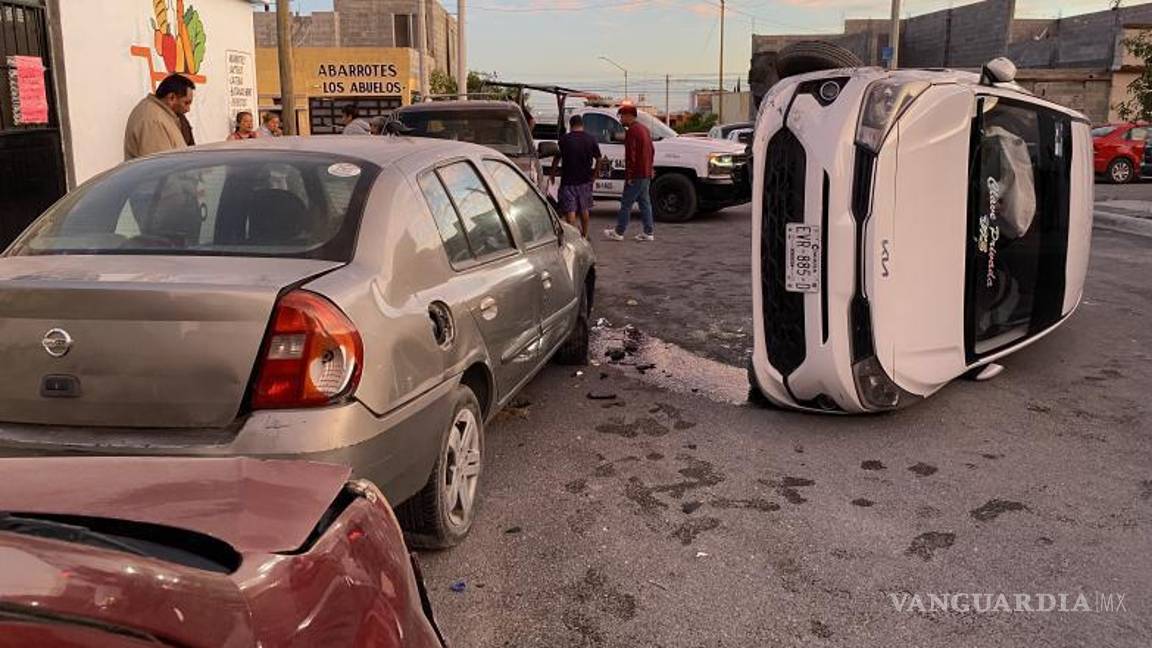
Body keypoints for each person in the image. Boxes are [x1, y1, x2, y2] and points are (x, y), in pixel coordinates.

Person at [604, 104, 655, 242]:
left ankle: (619, 232)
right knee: (645, 203)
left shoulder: (632, 131)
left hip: (636, 174)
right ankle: (648, 232)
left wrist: (630, 176)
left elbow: (630, 156)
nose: (621, 119)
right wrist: (650, 168)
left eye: (622, 116)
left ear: (629, 116)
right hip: (645, 172)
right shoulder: (644, 129)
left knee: (626, 203)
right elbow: (652, 150)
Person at [551, 114, 601, 238]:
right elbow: (599, 159)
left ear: (571, 125)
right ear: (582, 125)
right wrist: (595, 175)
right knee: (584, 209)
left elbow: (557, 158)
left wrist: (552, 174)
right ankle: (585, 234)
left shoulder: (564, 139)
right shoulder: (591, 139)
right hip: (585, 180)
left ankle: (573, 237)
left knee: (570, 210)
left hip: (568, 181)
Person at [123, 74, 195, 160]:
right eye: (186, 103)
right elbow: (159, 164)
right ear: (171, 98)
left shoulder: (160, 114)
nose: (188, 109)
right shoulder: (153, 120)